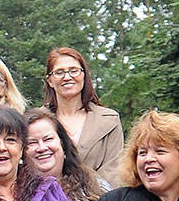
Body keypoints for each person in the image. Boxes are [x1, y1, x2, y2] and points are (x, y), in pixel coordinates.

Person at [41, 47, 123, 185]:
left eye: (74, 70)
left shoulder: (109, 120)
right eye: (59, 72)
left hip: (100, 196)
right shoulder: (36, 122)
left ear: (84, 75)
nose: (67, 77)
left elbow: (113, 171)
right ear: (50, 80)